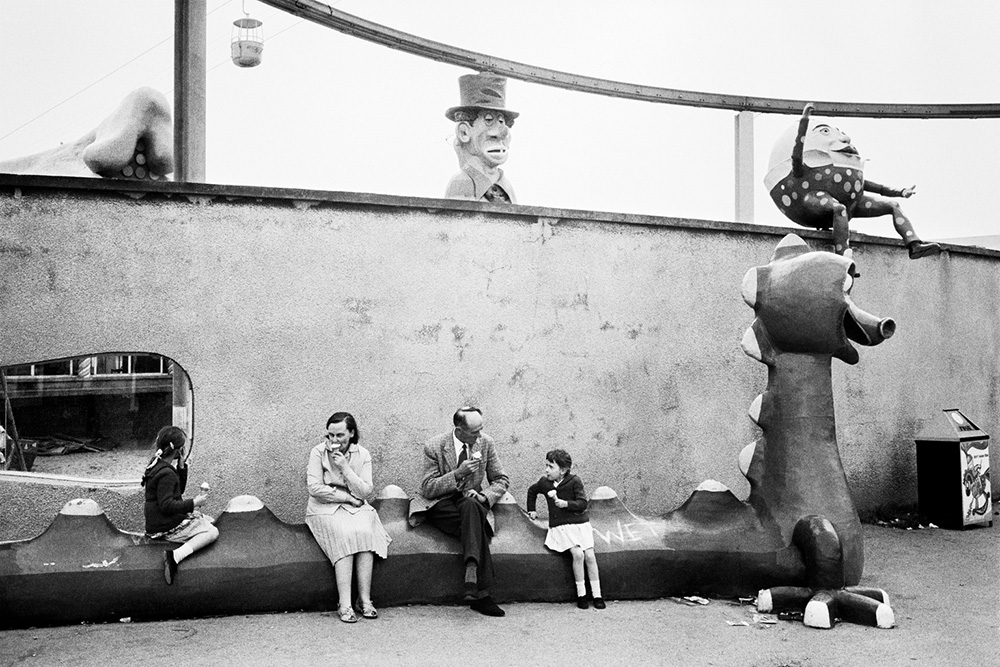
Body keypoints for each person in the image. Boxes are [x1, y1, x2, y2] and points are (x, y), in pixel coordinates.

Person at [408, 406, 510, 616]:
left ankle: (472, 571)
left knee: (472, 507)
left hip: (470, 502)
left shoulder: (486, 443)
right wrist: (457, 474)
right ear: (459, 430)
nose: (479, 435)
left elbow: (501, 479)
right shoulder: (434, 446)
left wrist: (484, 496)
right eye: (475, 432)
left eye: (481, 429)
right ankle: (482, 593)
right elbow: (428, 487)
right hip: (441, 505)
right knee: (474, 523)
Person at [305, 411, 391, 624]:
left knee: (364, 531)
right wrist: (345, 497)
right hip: (324, 508)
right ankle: (345, 603)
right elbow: (314, 487)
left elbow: (365, 491)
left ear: (351, 434)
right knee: (344, 533)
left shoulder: (363, 454)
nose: (334, 441)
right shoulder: (317, 452)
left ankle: (364, 600)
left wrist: (345, 467)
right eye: (330, 436)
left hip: (357, 505)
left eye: (340, 435)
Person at [526, 449, 605, 609]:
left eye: (551, 467)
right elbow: (532, 491)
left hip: (580, 525)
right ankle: (581, 594)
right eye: (546, 465)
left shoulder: (575, 481)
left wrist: (566, 504)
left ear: (562, 470)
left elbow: (582, 503)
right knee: (577, 554)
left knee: (589, 556)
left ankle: (597, 595)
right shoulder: (544, 483)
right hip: (561, 527)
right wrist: (532, 509)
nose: (546, 470)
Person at [142, 425, 218, 586]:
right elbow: (167, 505)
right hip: (164, 525)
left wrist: (181, 467)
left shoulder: (159, 465)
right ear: (178, 450)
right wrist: (194, 504)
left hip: (160, 521)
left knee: (208, 520)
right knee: (212, 532)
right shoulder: (166, 473)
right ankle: (175, 557)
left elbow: (178, 491)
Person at [444, 72, 518, 203]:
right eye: (488, 120)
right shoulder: (462, 183)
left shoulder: (506, 187)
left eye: (501, 121)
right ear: (464, 132)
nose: (502, 132)